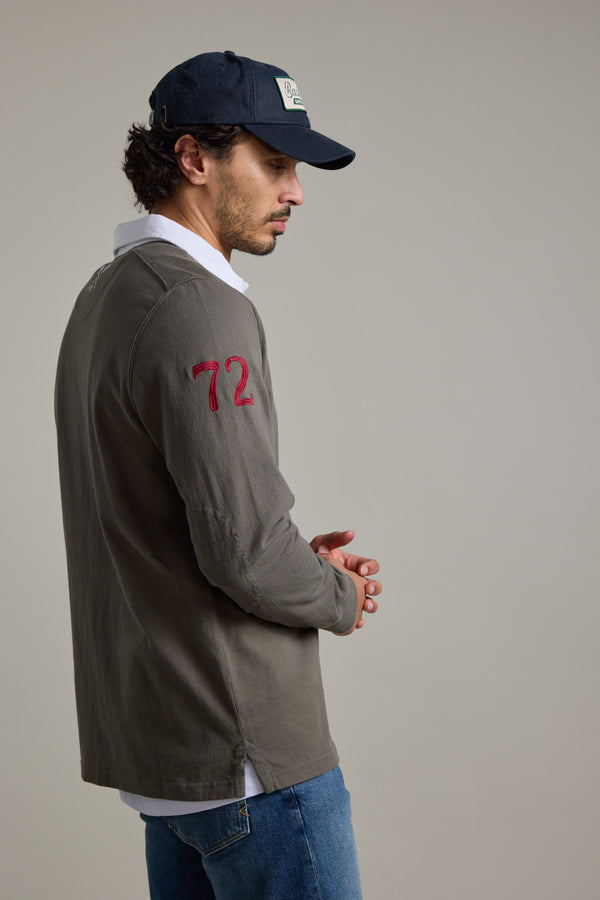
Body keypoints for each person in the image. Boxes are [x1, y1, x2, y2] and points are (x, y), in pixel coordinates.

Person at [55, 50, 381, 900]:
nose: (296, 192)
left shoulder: (105, 297)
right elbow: (245, 551)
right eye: (274, 164)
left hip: (168, 757)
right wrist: (336, 593)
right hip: (249, 760)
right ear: (194, 158)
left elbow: (166, 525)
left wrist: (293, 563)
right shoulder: (198, 304)